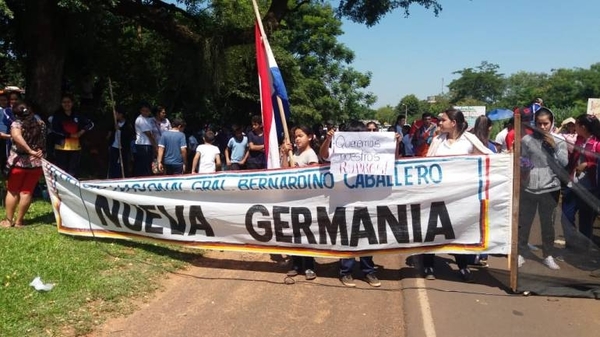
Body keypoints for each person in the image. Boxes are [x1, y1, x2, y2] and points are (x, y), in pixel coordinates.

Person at [421, 108, 493, 282]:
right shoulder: (437, 140)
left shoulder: (470, 139)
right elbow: (427, 161)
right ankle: (428, 264)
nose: (439, 123)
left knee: (457, 230)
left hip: (460, 195)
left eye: (442, 120)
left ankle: (462, 266)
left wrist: (508, 157)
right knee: (431, 229)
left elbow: (486, 157)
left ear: (453, 123)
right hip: (437, 193)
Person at [319, 120, 382, 287]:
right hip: (344, 201)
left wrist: (395, 143)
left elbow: (389, 161)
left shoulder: (370, 152)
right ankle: (346, 271)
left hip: (365, 201)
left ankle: (369, 271)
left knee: (367, 237)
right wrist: (328, 140)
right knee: (347, 237)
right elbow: (324, 154)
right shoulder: (338, 151)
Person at [517, 107, 568, 270]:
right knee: (524, 222)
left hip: (550, 187)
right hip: (529, 187)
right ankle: (521, 252)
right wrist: (523, 166)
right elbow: (522, 159)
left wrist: (553, 148)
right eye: (539, 123)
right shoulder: (526, 140)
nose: (543, 127)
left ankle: (548, 255)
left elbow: (564, 163)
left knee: (548, 223)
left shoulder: (559, 141)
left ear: (552, 123)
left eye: (546, 123)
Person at [280, 125, 319, 280]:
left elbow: (313, 177)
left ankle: (309, 265)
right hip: (292, 199)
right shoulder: (294, 153)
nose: (297, 139)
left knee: (306, 233)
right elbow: (283, 170)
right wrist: (284, 154)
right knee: (294, 234)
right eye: (295, 136)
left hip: (306, 201)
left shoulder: (310, 154)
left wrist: (298, 170)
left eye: (300, 135)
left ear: (309, 137)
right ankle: (296, 264)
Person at [1, 101, 46, 228]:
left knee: (12, 191)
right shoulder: (41, 124)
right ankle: (20, 221)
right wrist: (37, 151)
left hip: (17, 164)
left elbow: (16, 136)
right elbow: (44, 143)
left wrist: (29, 150)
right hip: (35, 165)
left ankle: (8, 221)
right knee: (27, 192)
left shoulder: (17, 124)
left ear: (16, 114)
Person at [562, 114, 600, 242]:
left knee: (585, 219)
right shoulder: (578, 139)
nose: (574, 127)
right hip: (573, 184)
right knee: (566, 216)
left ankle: (584, 248)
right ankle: (571, 243)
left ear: (583, 127)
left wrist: (588, 164)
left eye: (576, 124)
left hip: (589, 188)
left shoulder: (597, 144)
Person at [50, 94, 94, 177]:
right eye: (64, 102)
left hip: (75, 147)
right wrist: (70, 135)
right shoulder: (57, 115)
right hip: (61, 146)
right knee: (61, 170)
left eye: (68, 102)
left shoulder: (77, 114)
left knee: (73, 171)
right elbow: (54, 130)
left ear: (72, 103)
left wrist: (81, 132)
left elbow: (90, 124)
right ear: (61, 103)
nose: (66, 104)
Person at [107, 106, 135, 178]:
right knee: (113, 164)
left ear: (121, 114)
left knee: (124, 164)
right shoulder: (113, 123)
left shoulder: (128, 124)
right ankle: (112, 177)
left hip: (123, 147)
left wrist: (120, 129)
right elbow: (110, 133)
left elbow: (130, 135)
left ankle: (124, 177)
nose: (115, 115)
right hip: (114, 146)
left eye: (116, 114)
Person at [133, 102, 157, 177]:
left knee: (149, 163)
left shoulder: (148, 119)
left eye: (147, 111)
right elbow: (149, 134)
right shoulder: (140, 120)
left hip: (148, 144)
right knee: (144, 164)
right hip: (143, 144)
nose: (145, 113)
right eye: (143, 111)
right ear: (141, 111)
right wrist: (155, 146)